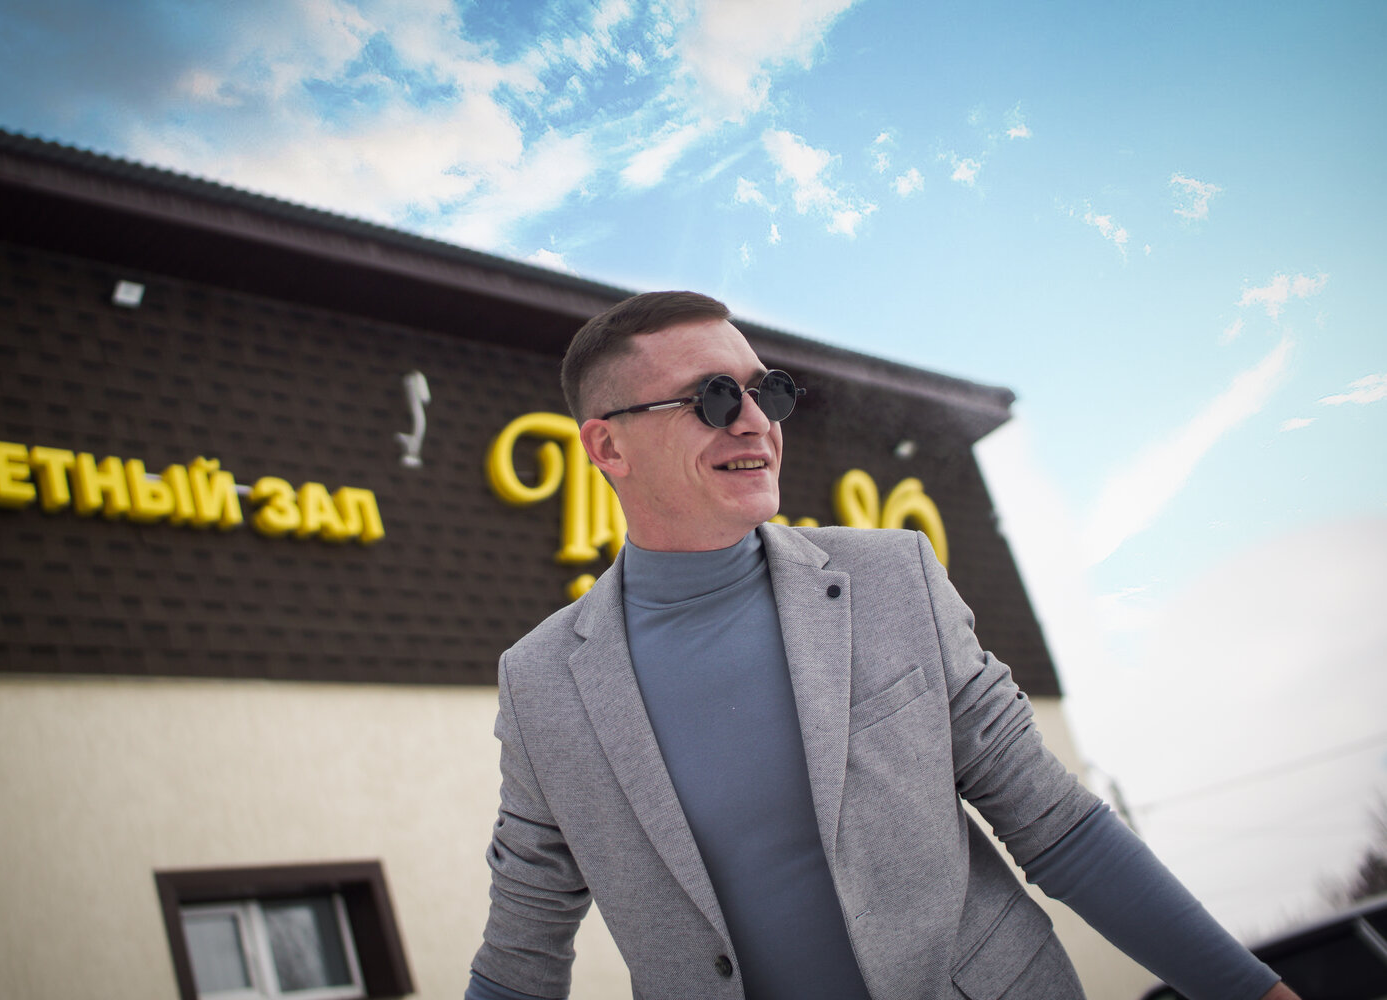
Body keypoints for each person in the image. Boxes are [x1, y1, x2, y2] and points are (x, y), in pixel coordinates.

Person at [465, 291, 1298, 1000]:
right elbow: (520, 956)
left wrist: (1252, 992)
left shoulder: (894, 578)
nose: (754, 422)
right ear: (608, 445)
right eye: (711, 398)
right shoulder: (541, 685)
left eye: (766, 392)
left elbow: (1059, 827)